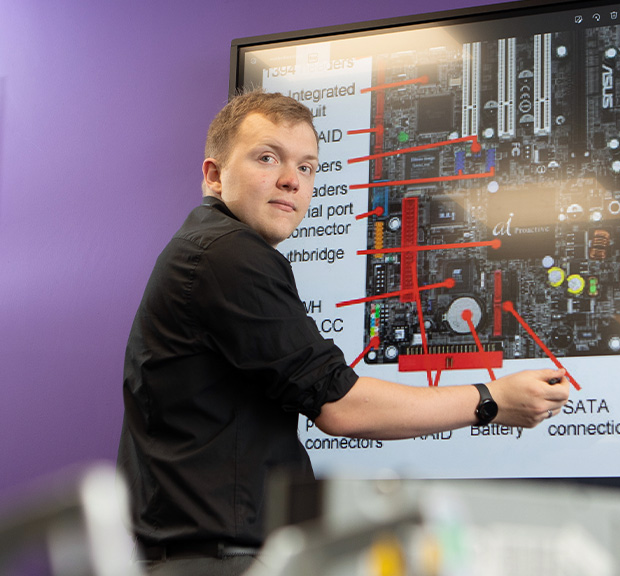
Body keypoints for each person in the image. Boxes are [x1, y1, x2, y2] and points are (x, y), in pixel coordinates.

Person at [117, 90, 571, 575]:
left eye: (307, 167)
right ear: (214, 175)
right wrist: (492, 399)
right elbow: (341, 406)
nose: (291, 180)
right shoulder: (227, 253)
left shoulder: (205, 250)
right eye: (267, 158)